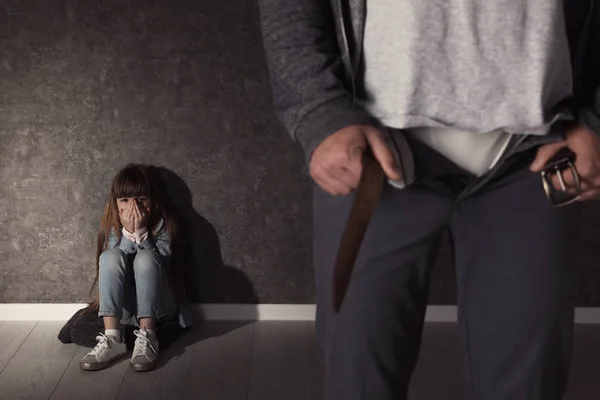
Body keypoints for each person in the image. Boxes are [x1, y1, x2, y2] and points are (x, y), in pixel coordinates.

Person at [258, 0, 600, 398]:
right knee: (359, 375)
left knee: (529, 382)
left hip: (536, 151)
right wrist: (319, 108)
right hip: (376, 150)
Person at [80, 164, 192, 372]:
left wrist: (140, 233)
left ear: (154, 202)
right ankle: (113, 337)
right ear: (116, 205)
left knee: (146, 258)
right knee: (110, 256)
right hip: (124, 308)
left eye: (141, 199)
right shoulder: (113, 227)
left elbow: (163, 270)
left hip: (159, 307)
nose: (133, 206)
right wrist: (128, 233)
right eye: (125, 200)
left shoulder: (164, 226)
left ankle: (148, 336)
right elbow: (113, 264)